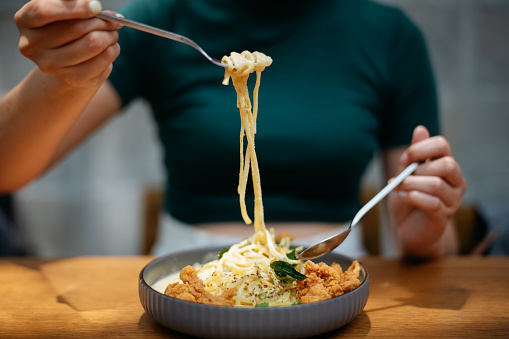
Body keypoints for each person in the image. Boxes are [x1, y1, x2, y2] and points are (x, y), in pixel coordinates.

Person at [0, 0, 466, 258]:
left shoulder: (389, 34)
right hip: (188, 278)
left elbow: (422, 226)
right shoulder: (164, 22)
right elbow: (7, 169)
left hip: (335, 273)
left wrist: (426, 236)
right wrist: (59, 73)